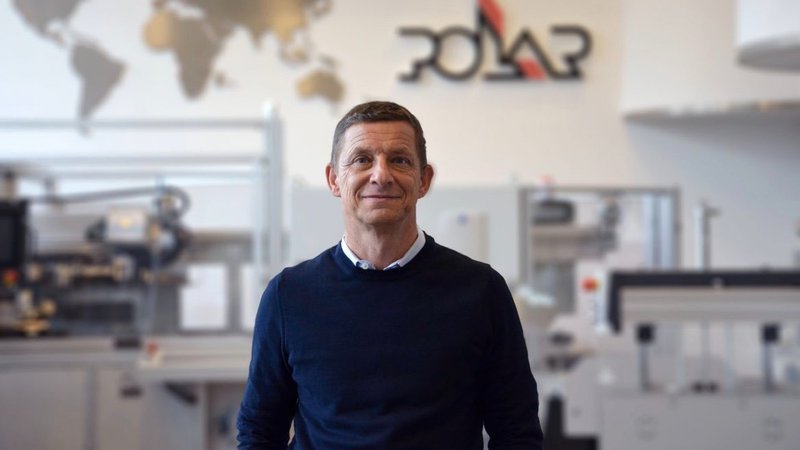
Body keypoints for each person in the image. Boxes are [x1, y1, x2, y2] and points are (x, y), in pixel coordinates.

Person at [237, 101, 543, 449]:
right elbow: (259, 431)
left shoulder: (481, 291)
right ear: (334, 180)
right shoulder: (289, 295)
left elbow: (517, 433)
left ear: (424, 180)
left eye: (399, 160)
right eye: (362, 159)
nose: (381, 175)